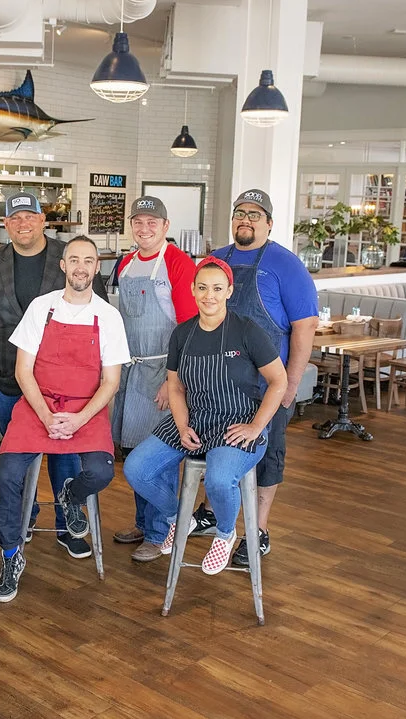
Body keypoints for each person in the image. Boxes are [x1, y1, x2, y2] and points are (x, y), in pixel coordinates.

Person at [123, 257, 287, 573]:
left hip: (236, 422)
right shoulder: (182, 334)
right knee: (137, 468)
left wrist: (255, 426)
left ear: (229, 291)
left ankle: (225, 534)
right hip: (194, 420)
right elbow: (175, 386)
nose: (209, 295)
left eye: (216, 288)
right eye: (202, 288)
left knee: (220, 479)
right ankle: (179, 518)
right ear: (193, 291)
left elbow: (278, 381)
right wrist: (182, 425)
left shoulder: (247, 331)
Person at [0, 236, 130, 602]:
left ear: (96, 267)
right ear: (63, 266)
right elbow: (23, 371)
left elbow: (111, 381)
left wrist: (79, 419)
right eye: (74, 260)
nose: (81, 267)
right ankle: (10, 555)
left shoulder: (108, 316)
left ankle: (71, 495)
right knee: (6, 475)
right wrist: (46, 415)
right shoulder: (41, 307)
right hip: (38, 407)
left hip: (86, 410)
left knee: (100, 471)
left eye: (88, 260)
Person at [0, 192, 109, 559]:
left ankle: (68, 524)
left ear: (43, 220)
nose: (23, 223)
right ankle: (26, 518)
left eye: (30, 216)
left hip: (63, 387)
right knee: (19, 455)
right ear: (6, 224)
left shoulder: (72, 258)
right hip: (5, 375)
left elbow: (97, 318)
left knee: (65, 455)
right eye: (15, 218)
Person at [205, 189, 318, 568]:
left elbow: (305, 328)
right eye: (240, 212)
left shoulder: (287, 265)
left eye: (256, 214)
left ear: (269, 223)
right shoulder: (215, 261)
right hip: (215, 383)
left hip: (268, 386)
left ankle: (258, 531)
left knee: (267, 459)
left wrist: (290, 386)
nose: (246, 219)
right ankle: (211, 515)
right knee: (211, 449)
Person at [109, 196, 199, 561]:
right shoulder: (126, 264)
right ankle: (145, 523)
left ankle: (163, 531)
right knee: (134, 449)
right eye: (138, 222)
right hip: (130, 370)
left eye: (152, 223)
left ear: (165, 227)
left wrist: (172, 382)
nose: (144, 229)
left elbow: (190, 327)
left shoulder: (179, 264)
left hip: (163, 372)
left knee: (158, 455)